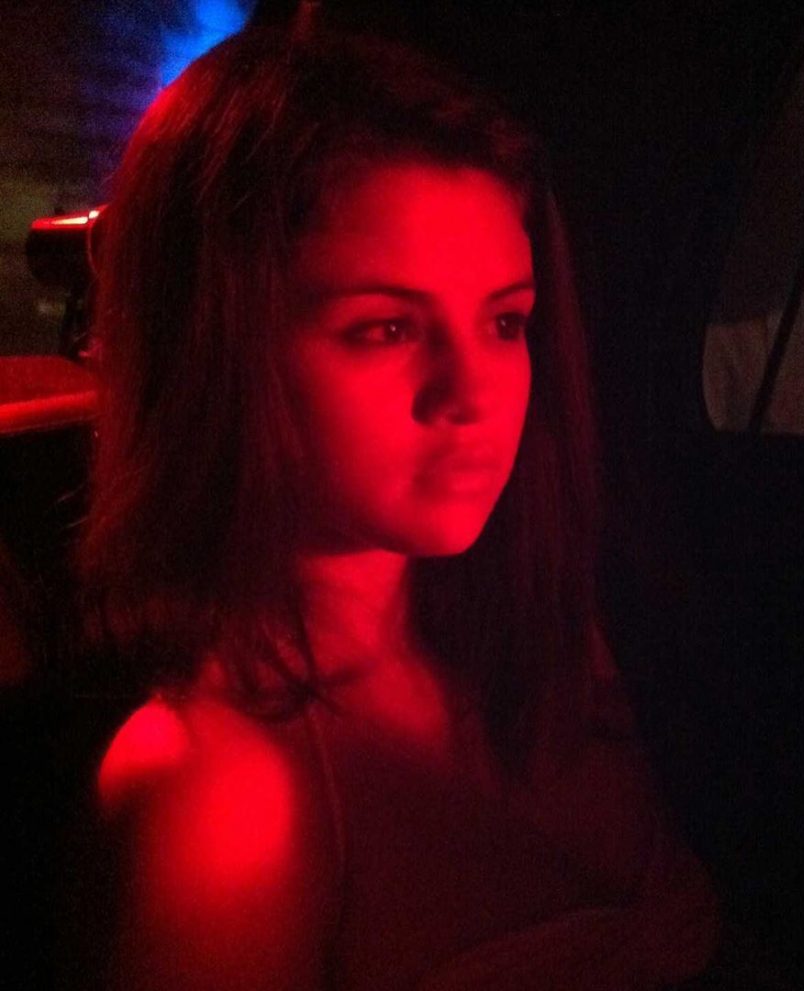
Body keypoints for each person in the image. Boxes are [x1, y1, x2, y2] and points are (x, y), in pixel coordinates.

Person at [80, 12, 719, 990]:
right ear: (218, 349)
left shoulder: (542, 637)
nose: (473, 393)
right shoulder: (226, 795)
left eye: (504, 321)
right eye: (384, 328)